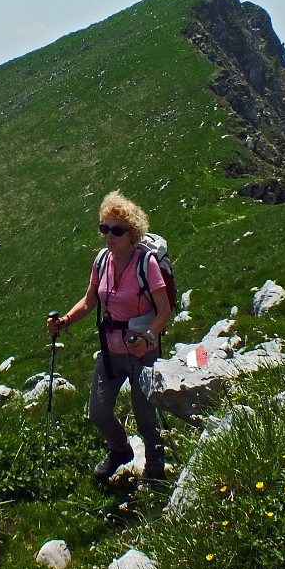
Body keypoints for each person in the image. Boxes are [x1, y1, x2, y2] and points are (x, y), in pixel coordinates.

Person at [47, 191, 172, 482]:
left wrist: (150, 338)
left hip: (142, 352)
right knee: (98, 412)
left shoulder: (146, 264)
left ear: (132, 233)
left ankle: (155, 468)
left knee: (146, 418)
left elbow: (164, 311)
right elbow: (90, 301)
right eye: (104, 228)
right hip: (111, 350)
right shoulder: (102, 261)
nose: (108, 235)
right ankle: (120, 450)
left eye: (116, 230)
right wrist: (65, 320)